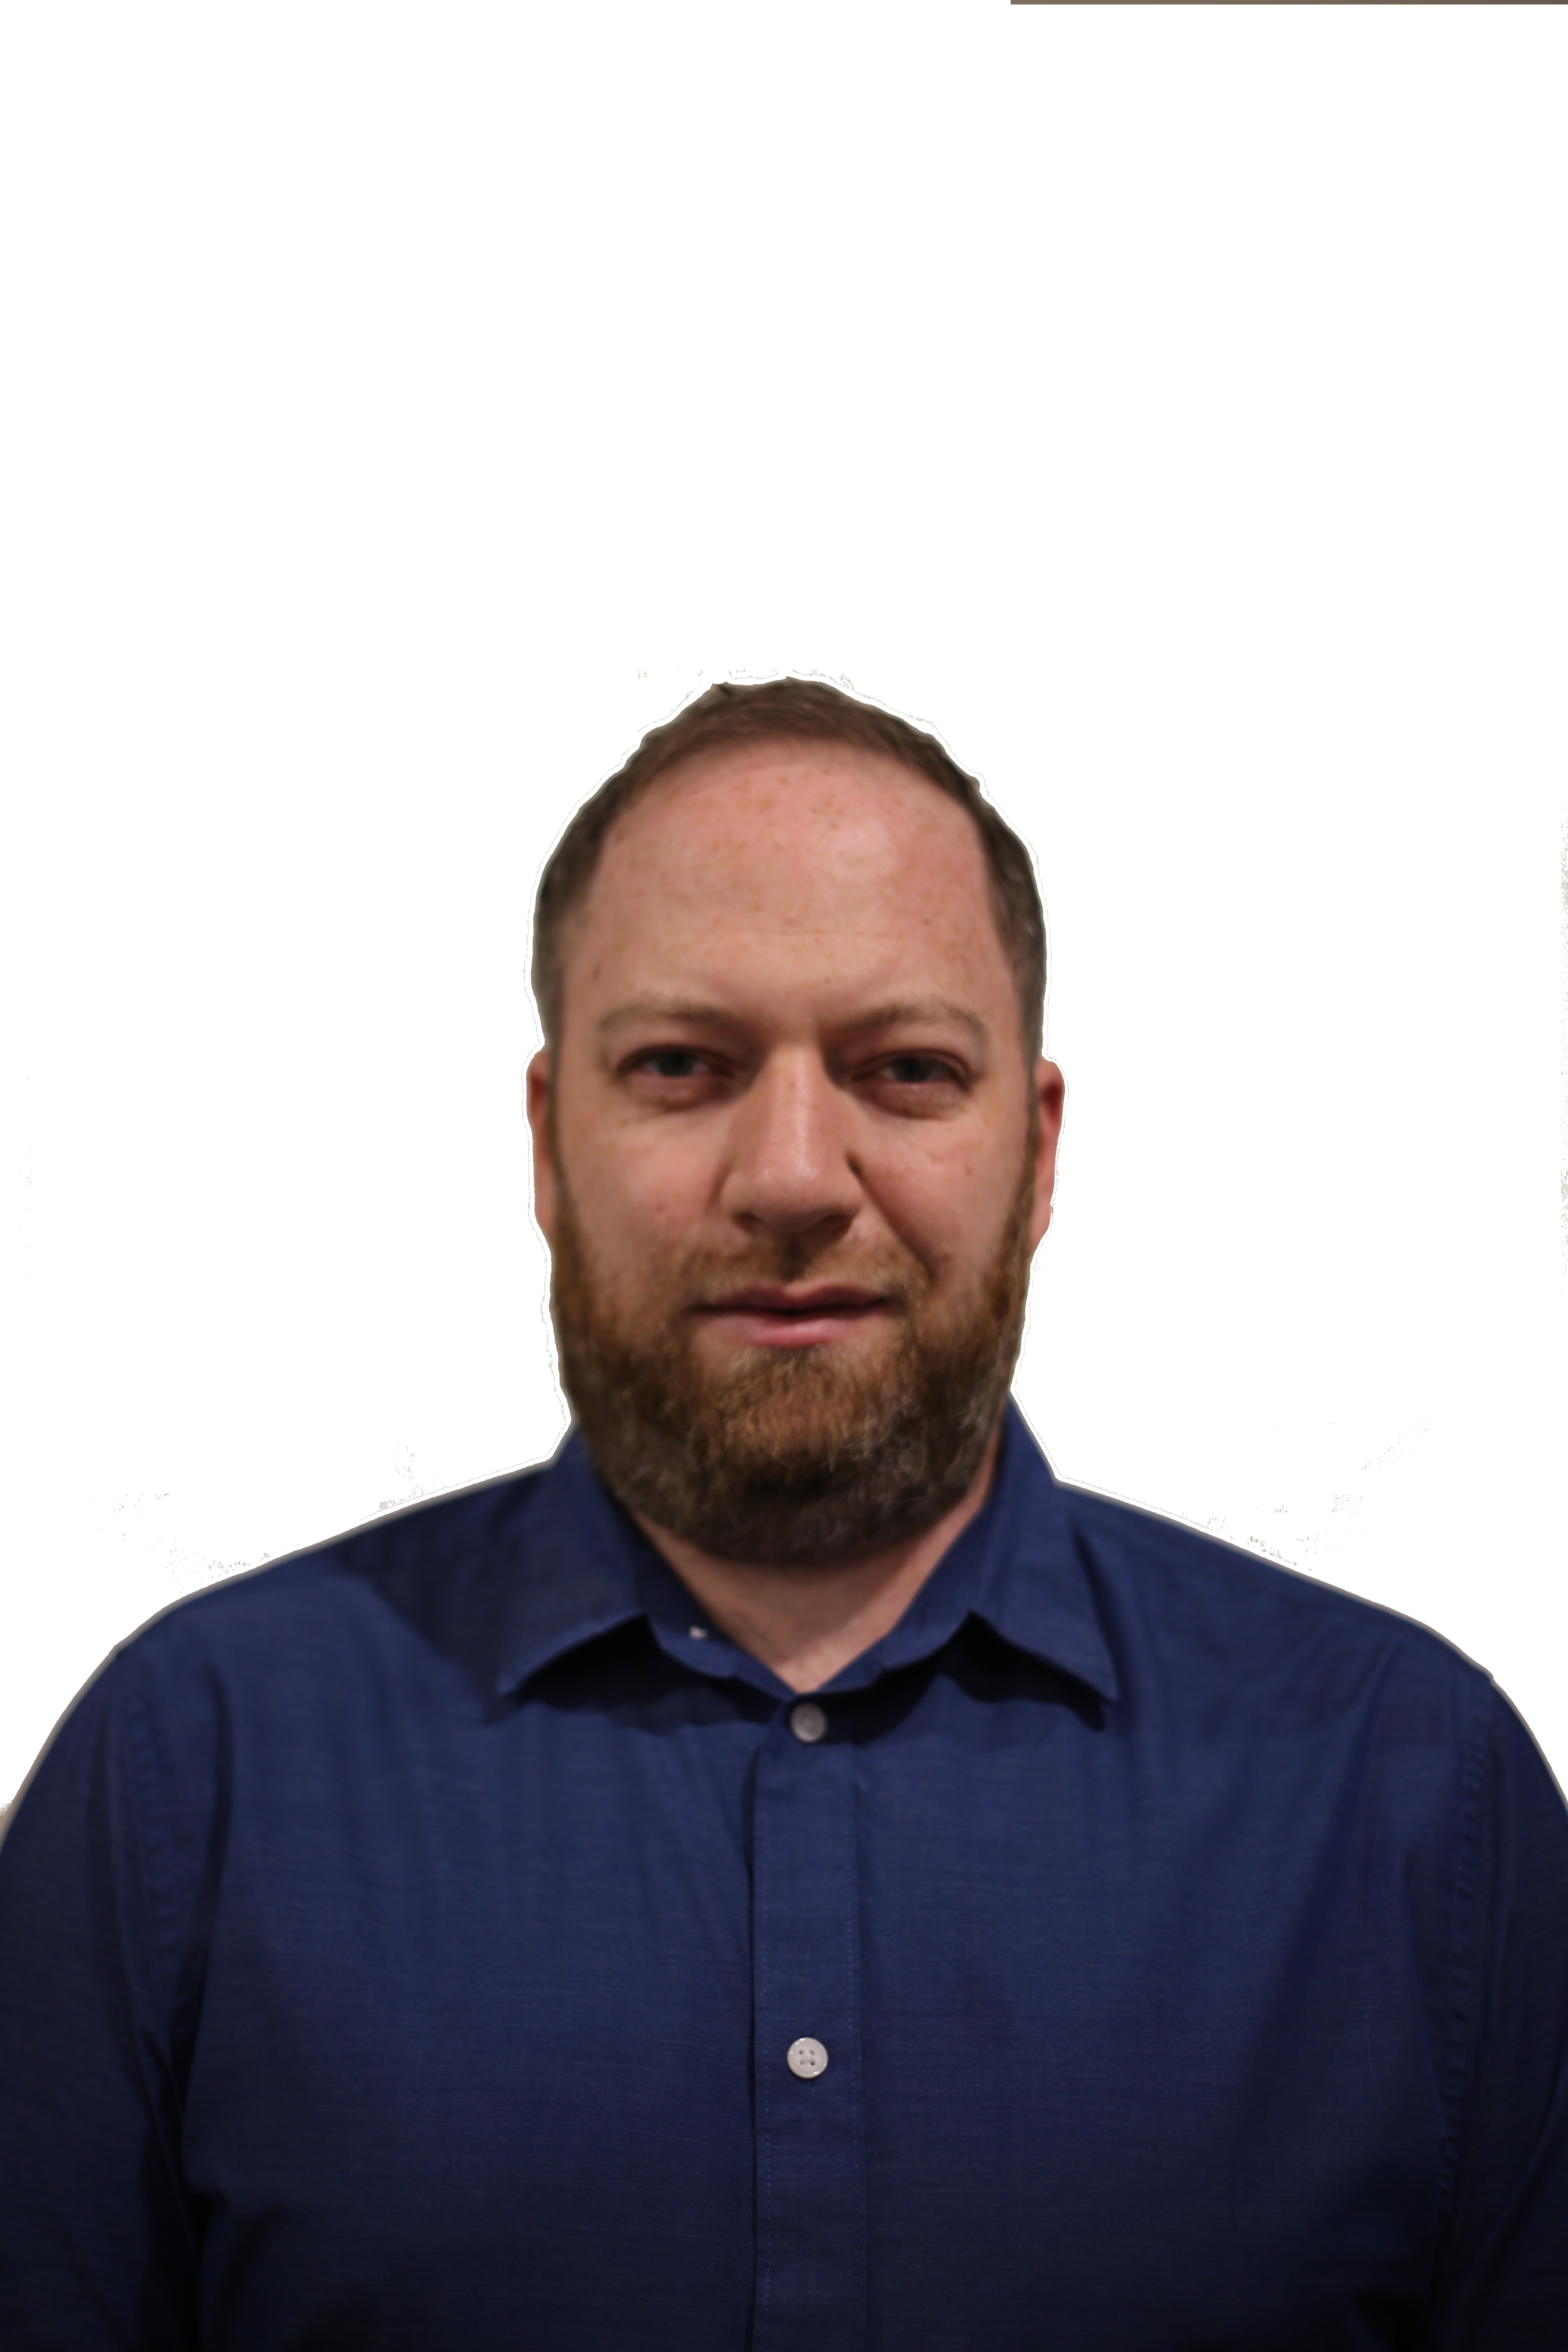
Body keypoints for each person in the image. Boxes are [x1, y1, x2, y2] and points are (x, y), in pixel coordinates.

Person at [1, 677, 1564, 2351]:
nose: (797, 1177)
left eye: (907, 1069)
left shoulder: (1421, 1799)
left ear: (1037, 1154)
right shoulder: (186, 1777)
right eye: (683, 1065)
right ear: (549, 1143)